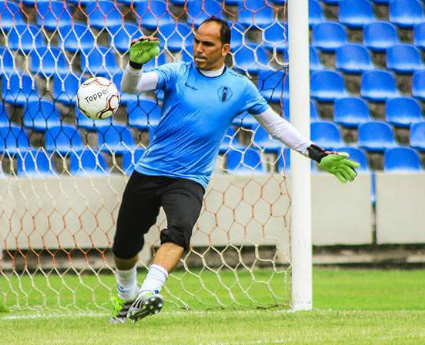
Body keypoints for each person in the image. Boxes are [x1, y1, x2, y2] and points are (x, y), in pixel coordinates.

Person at [110, 17, 359, 323]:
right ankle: (127, 297)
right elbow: (130, 87)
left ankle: (149, 293)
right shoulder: (176, 72)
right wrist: (134, 64)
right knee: (124, 246)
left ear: (225, 49)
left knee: (179, 232)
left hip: (190, 179)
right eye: (197, 41)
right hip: (150, 171)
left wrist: (316, 154)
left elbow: (276, 125)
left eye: (208, 44)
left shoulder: (240, 87)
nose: (199, 49)